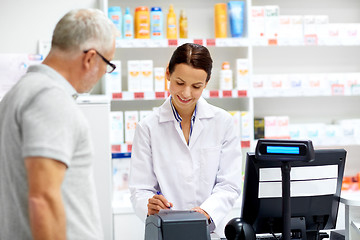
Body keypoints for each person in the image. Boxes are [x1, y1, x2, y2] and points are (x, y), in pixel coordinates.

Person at [0, 9, 117, 240]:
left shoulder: (18, 93)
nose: (105, 73)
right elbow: (42, 198)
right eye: (108, 64)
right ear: (90, 58)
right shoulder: (50, 99)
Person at [129, 43, 242, 237]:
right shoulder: (148, 127)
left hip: (211, 231)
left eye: (196, 86)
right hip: (166, 230)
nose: (186, 93)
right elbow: (140, 189)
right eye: (180, 83)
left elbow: (229, 184)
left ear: (206, 83)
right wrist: (150, 205)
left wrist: (206, 212)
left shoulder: (223, 122)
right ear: (168, 74)